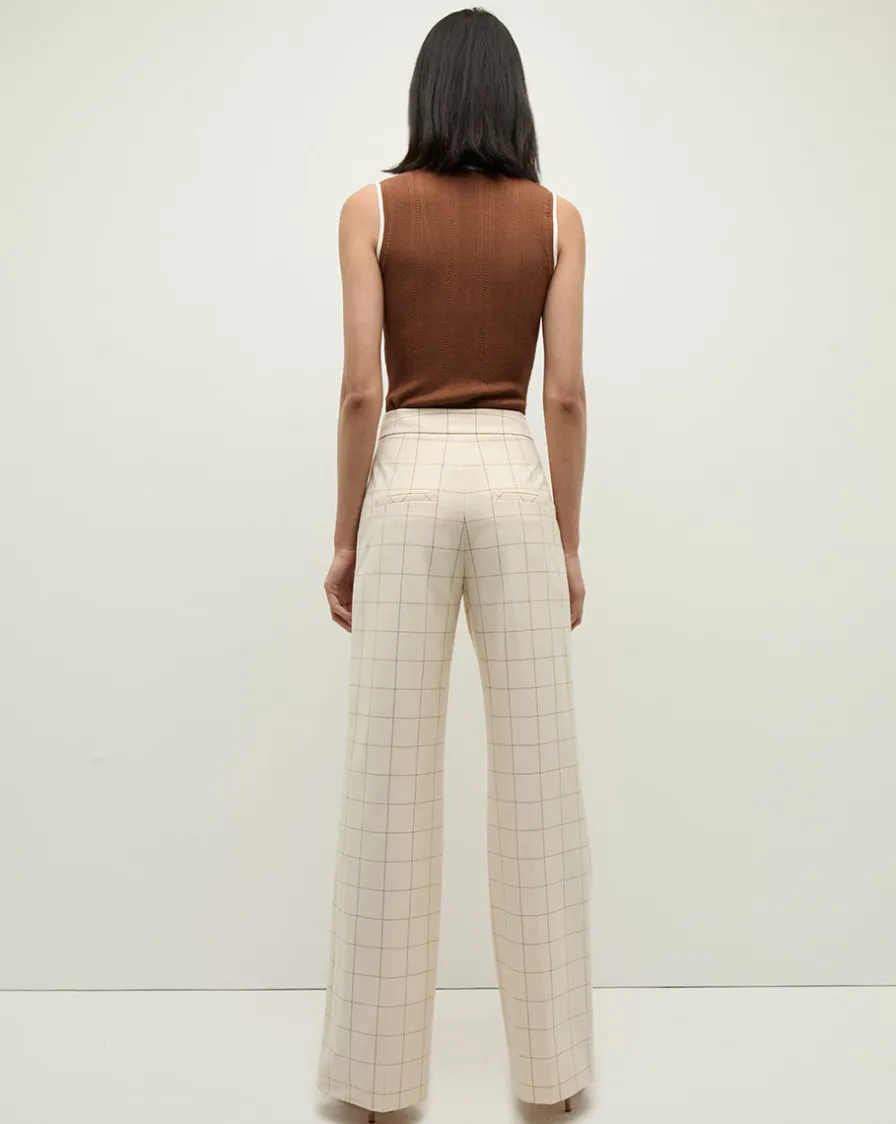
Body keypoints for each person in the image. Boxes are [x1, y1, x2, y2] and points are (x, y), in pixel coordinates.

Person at [317, 8, 592, 1120]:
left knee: (389, 779)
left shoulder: (371, 210)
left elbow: (359, 390)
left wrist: (346, 536)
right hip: (513, 472)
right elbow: (565, 393)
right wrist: (566, 540)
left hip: (409, 475)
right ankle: (552, 1077)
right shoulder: (557, 219)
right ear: (513, 100)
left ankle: (376, 1087)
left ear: (425, 95)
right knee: (538, 782)